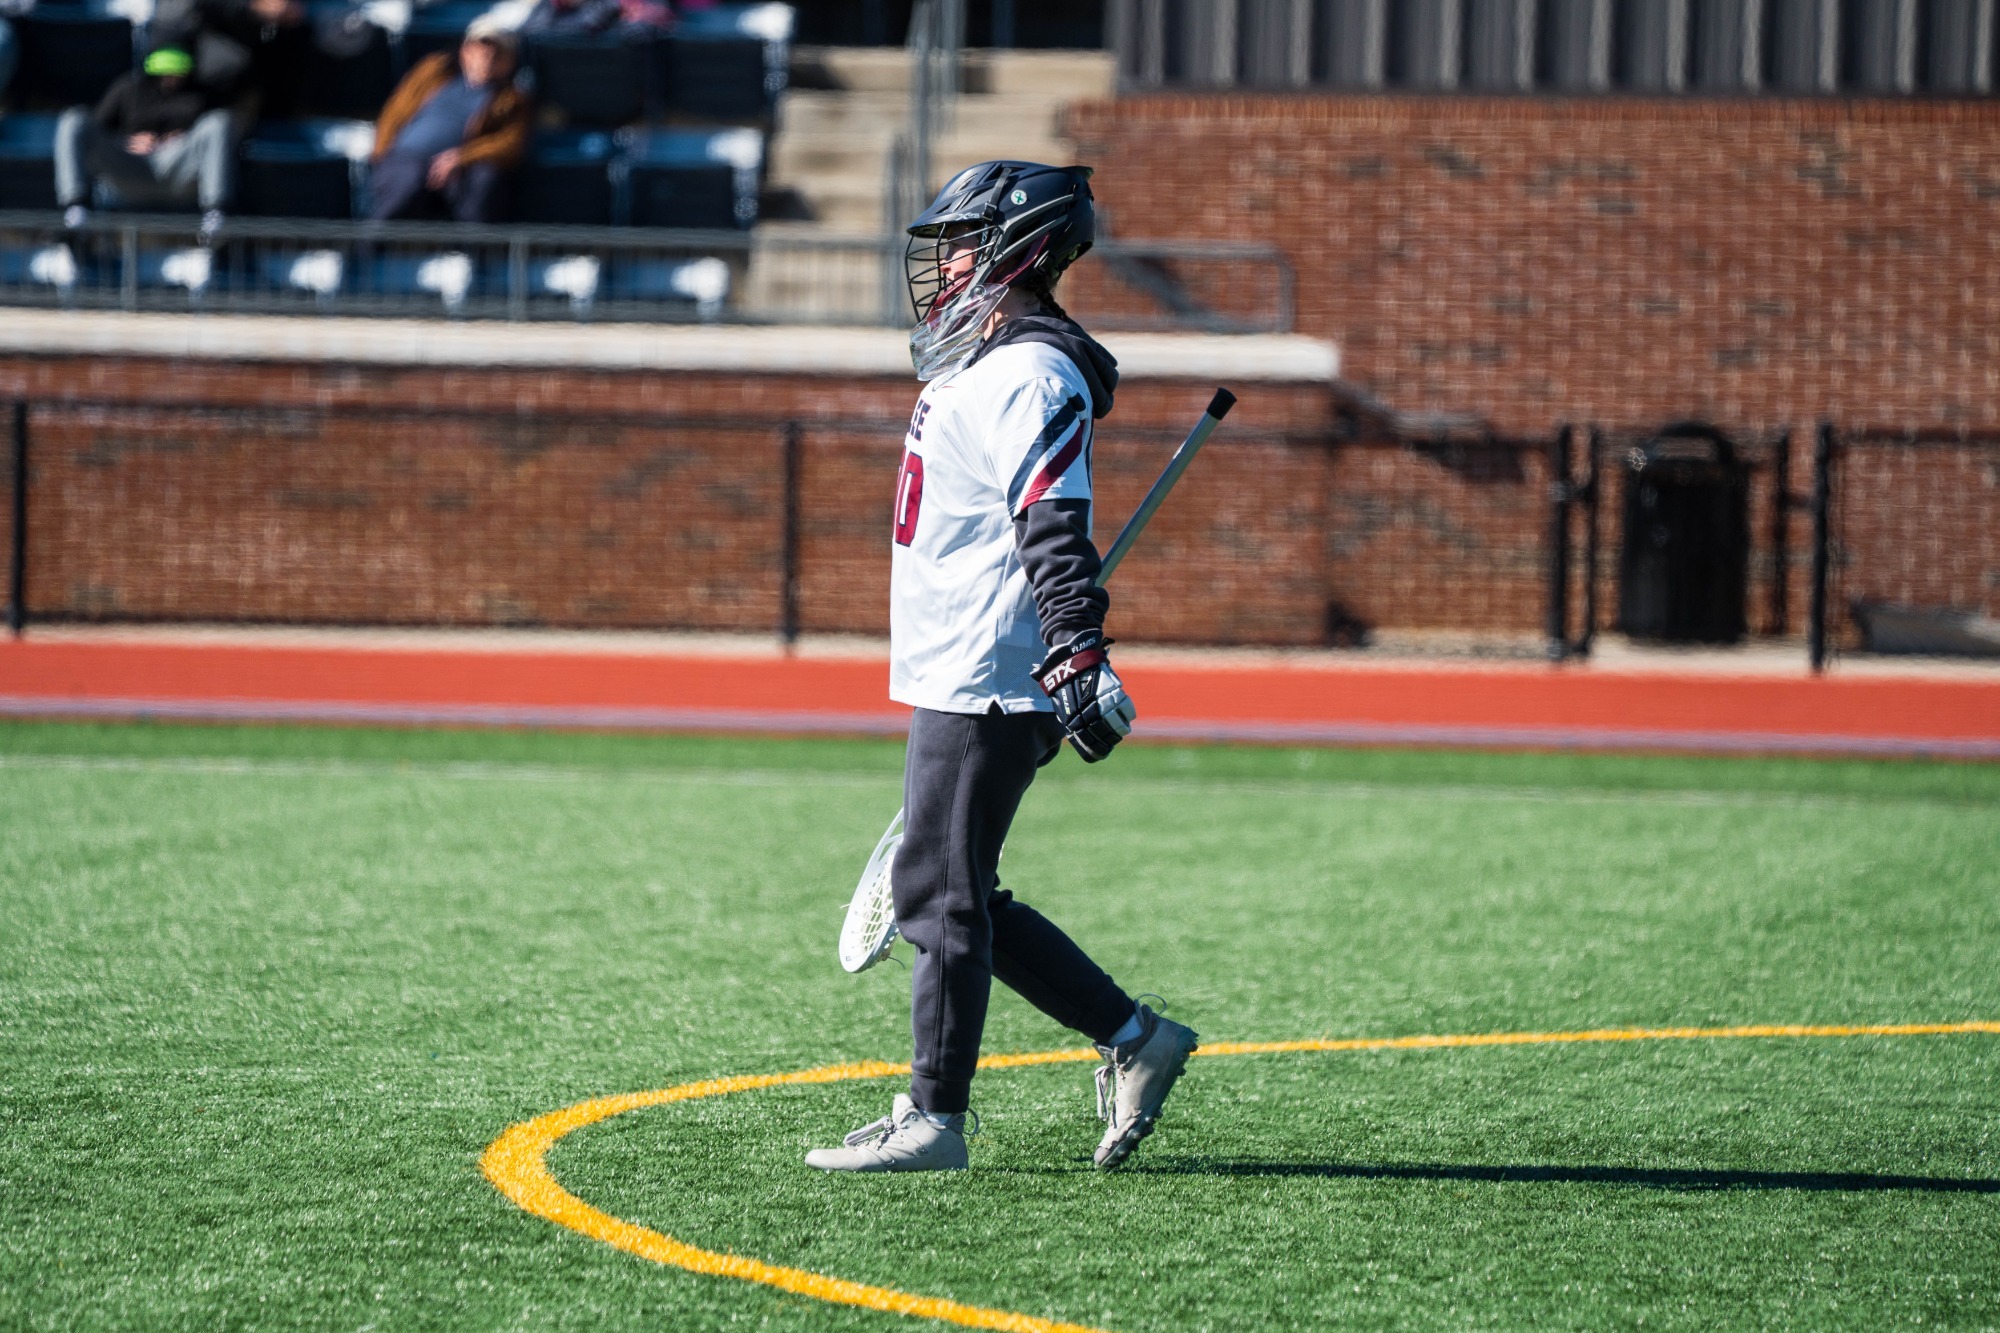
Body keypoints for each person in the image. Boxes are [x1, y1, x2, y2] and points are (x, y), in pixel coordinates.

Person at [803, 161, 1199, 1175]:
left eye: (964, 246)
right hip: (959, 665)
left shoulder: (1028, 374)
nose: (943, 270)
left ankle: (934, 1119)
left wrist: (1074, 648)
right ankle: (1133, 1037)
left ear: (1016, 255)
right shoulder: (978, 369)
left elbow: (1052, 527)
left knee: (937, 894)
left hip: (993, 668)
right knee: (953, 885)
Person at [55, 45, 236, 237]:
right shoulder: (127, 88)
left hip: (178, 169)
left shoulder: (202, 95)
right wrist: (125, 141)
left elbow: (220, 138)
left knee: (219, 122)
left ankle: (215, 217)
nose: (170, 80)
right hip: (130, 167)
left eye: (177, 75)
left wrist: (184, 138)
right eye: (163, 75)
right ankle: (75, 211)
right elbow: (97, 129)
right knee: (73, 119)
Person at [367, 17, 529, 224]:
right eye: (481, 50)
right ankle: (366, 250)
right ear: (465, 51)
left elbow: (511, 144)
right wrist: (381, 153)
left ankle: (473, 254)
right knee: (408, 182)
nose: (488, 57)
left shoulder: (513, 99)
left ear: (510, 62)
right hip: (406, 159)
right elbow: (393, 113)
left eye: (498, 54)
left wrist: (461, 158)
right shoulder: (433, 71)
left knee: (485, 178)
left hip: (462, 170)